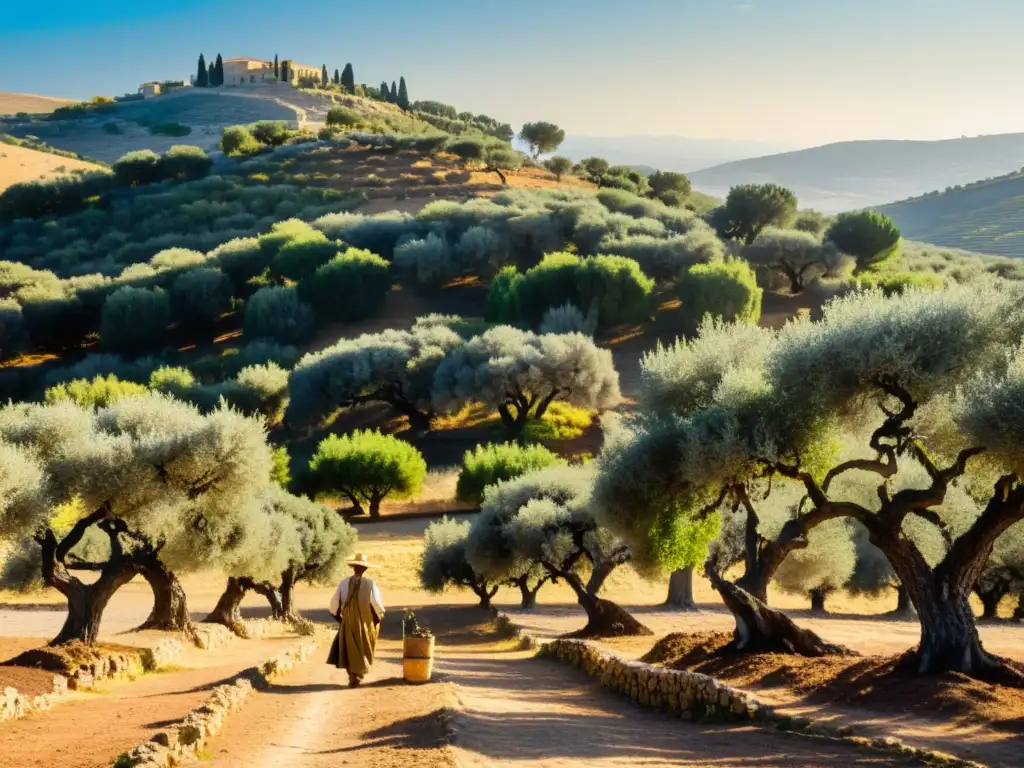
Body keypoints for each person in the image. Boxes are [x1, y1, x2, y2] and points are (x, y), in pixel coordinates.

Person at [327, 553, 385, 687]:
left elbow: (333, 605)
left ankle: (352, 675)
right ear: (365, 569)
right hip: (365, 623)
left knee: (349, 649)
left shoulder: (344, 583)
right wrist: (377, 621)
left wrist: (341, 620)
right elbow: (377, 605)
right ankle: (357, 674)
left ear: (353, 567)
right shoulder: (371, 584)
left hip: (347, 623)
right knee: (363, 648)